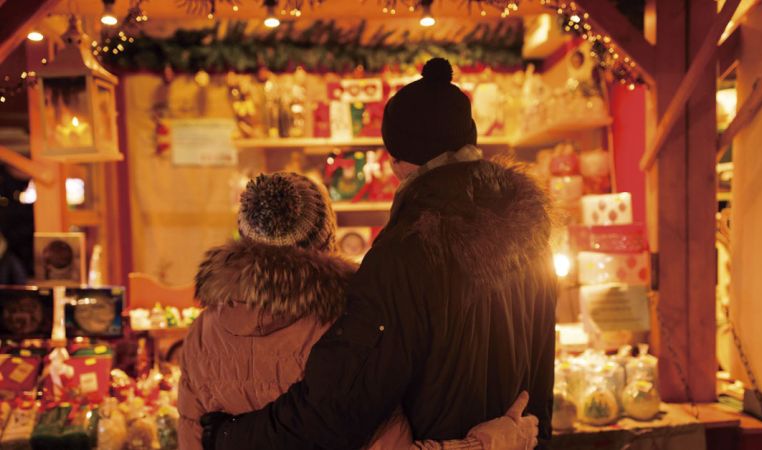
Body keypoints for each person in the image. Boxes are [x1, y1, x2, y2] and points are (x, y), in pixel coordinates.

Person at [202, 58, 557, 450]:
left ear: (398, 162)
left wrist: (231, 435)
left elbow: (338, 407)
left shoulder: (405, 254)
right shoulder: (530, 231)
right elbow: (540, 384)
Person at [180, 172, 540, 450]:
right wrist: (489, 442)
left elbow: (192, 438)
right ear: (327, 239)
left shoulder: (202, 331)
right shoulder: (350, 325)